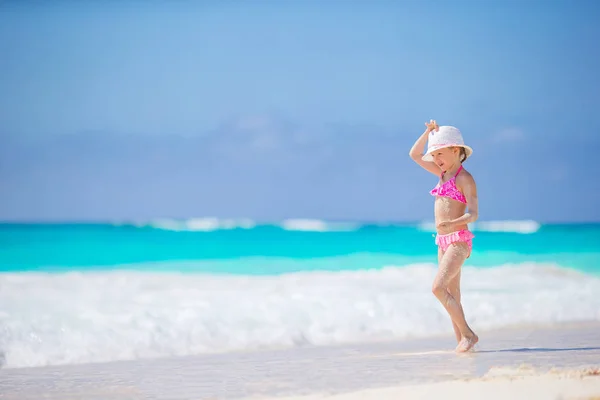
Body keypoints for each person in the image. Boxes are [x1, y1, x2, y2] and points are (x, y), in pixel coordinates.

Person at [409, 120, 479, 353]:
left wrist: (453, 223)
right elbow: (414, 154)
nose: (436, 159)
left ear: (456, 151)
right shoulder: (441, 173)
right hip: (442, 241)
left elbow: (473, 214)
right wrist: (427, 132)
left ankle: (469, 334)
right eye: (434, 154)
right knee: (453, 293)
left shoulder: (464, 178)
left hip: (459, 240)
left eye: (440, 153)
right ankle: (462, 341)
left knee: (438, 288)